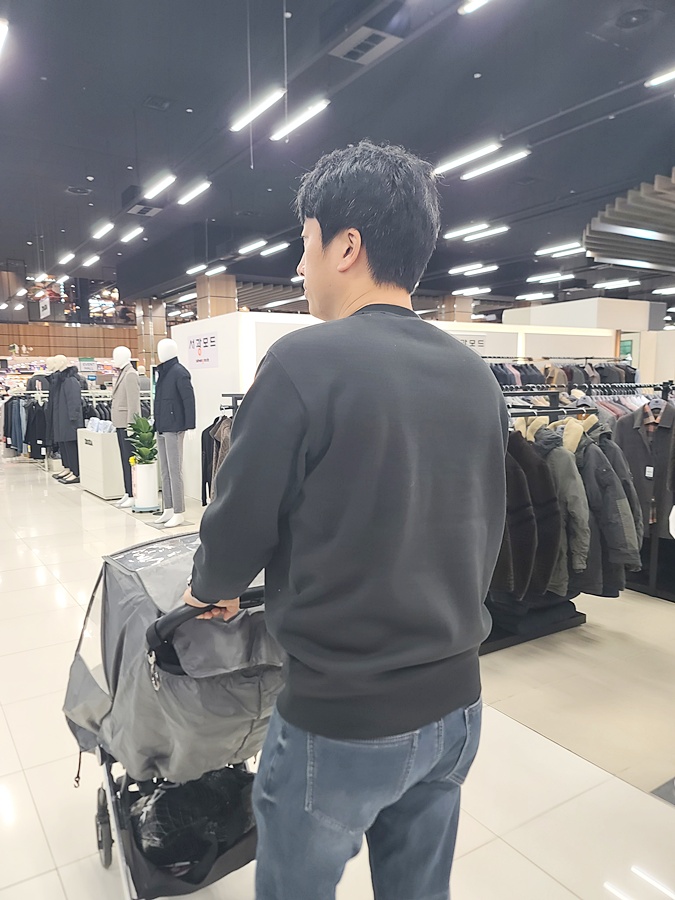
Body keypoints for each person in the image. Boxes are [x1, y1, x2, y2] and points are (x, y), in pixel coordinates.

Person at [183, 141, 508, 900]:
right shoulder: (477, 377)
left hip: (341, 715)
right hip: (456, 705)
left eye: (304, 244)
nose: (299, 268)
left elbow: (241, 517)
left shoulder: (303, 363)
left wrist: (212, 586)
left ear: (347, 246)